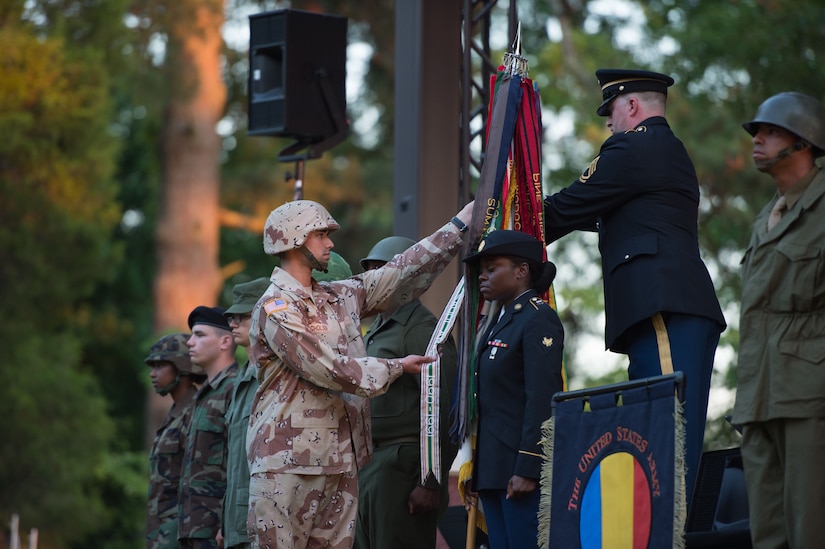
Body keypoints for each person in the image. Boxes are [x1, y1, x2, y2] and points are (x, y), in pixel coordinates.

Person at [542, 68, 726, 503]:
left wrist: (504, 222)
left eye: (610, 111)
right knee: (664, 433)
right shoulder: (660, 152)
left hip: (664, 306)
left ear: (631, 106)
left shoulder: (634, 147)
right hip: (670, 306)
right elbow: (596, 211)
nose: (608, 122)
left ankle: (666, 530)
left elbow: (568, 207)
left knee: (664, 432)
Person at [246, 199, 474, 549]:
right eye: (320, 235)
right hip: (287, 469)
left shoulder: (338, 297)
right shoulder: (276, 307)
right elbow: (329, 369)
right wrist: (398, 366)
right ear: (293, 240)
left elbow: (400, 273)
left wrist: (458, 226)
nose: (330, 243)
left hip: (340, 464)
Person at [732, 91, 825, 548]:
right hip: (759, 396)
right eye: (757, 133)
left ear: (803, 141)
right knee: (768, 536)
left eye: (769, 131)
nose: (758, 140)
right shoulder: (766, 218)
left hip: (810, 395)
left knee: (812, 529)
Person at [353, 236, 459, 549]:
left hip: (403, 467)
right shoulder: (376, 328)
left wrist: (431, 482)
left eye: (382, 270)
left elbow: (443, 406)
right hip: (372, 463)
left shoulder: (420, 328)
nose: (374, 279)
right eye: (371, 272)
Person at [461, 230, 564, 549]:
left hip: (519, 470)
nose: (483, 276)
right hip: (494, 469)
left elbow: (543, 399)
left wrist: (529, 467)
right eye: (482, 271)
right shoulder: (499, 321)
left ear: (521, 271)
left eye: (493, 268)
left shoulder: (537, 319)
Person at [216, 278, 271, 549]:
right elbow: (235, 457)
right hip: (236, 520)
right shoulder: (243, 379)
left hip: (264, 518)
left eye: (242, 316)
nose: (233, 323)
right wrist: (225, 522)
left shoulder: (273, 377)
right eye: (231, 317)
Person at [178, 306, 239, 549]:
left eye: (200, 335)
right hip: (192, 526)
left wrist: (228, 521)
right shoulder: (202, 395)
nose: (190, 342)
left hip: (218, 530)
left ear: (225, 341)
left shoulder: (235, 389)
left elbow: (240, 463)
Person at [146, 333, 208, 549]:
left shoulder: (195, 412)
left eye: (160, 366)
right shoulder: (176, 413)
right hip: (163, 529)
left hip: (181, 531)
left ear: (181, 367)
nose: (153, 374)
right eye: (152, 367)